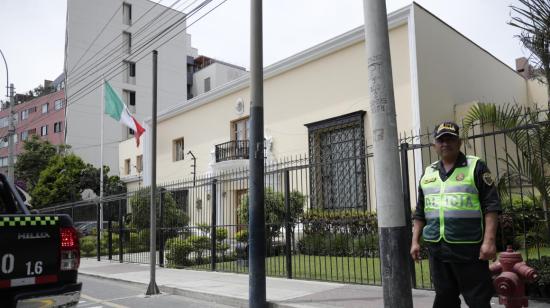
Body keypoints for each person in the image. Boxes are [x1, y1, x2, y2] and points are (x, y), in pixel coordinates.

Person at [410, 121, 501, 308]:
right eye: (440, 139)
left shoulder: (476, 167)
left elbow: (491, 206)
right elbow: (420, 212)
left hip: (469, 249)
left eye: (450, 139)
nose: (445, 143)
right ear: (434, 145)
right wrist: (415, 242)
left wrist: (489, 242)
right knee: (444, 298)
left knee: (477, 299)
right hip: (438, 249)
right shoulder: (428, 173)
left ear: (459, 142)